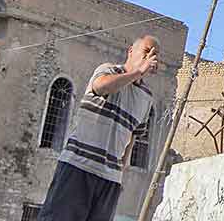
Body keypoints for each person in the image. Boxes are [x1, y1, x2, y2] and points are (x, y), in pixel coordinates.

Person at [39, 35, 160, 221]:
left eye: (154, 54)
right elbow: (102, 87)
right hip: (78, 167)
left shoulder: (146, 97)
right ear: (130, 51)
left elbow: (132, 139)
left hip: (109, 179)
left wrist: (121, 175)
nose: (150, 57)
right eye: (146, 51)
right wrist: (137, 72)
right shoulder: (107, 70)